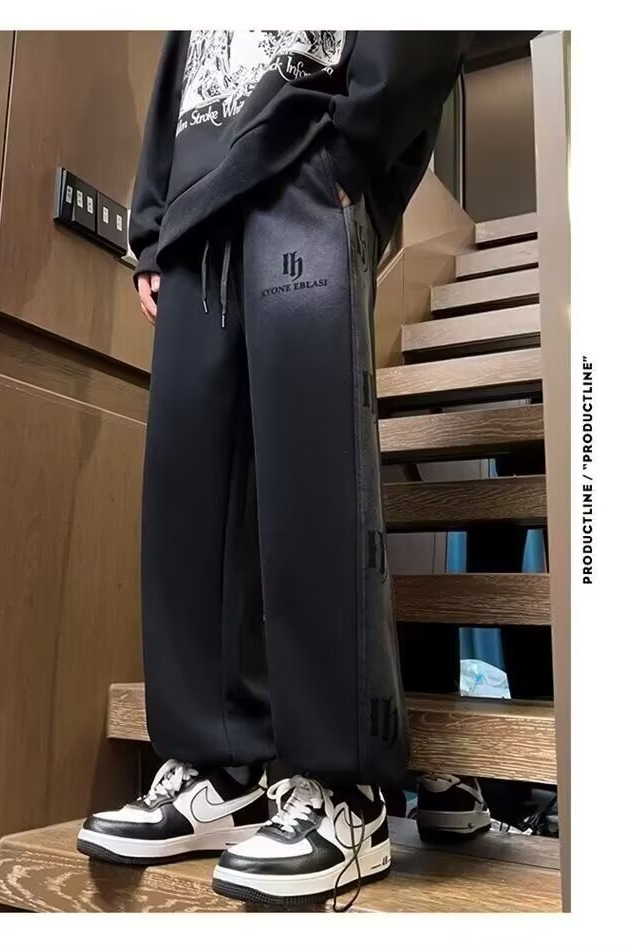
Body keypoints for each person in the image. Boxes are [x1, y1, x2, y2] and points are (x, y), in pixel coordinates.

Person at [78, 30, 471, 909]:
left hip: (307, 153)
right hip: (198, 200)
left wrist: (360, 138)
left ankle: (348, 791)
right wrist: (153, 224)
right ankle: (217, 773)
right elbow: (183, 59)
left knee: (312, 477)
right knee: (187, 494)